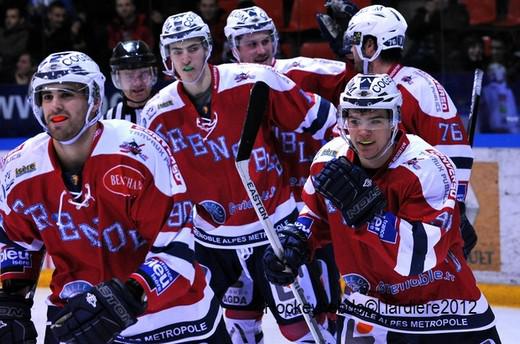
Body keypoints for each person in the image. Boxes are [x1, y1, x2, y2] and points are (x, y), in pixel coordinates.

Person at [0, 51, 229, 343]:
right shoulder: (20, 168)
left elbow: (177, 244)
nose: (54, 104)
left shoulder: (139, 151)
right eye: (47, 96)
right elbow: (18, 242)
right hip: (76, 316)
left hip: (175, 316)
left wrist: (129, 296)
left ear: (94, 99)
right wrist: (12, 301)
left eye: (67, 94)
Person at [140, 11, 338, 344]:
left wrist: (331, 173)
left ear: (207, 48)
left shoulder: (254, 80)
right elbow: (157, 187)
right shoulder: (157, 113)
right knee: (227, 331)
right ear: (167, 58)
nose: (186, 58)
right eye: (177, 51)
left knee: (306, 330)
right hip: (212, 242)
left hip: (274, 229)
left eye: (193, 48)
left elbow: (329, 122)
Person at [263, 73, 502, 343]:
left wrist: (368, 214)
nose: (363, 130)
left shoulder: (427, 167)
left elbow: (417, 259)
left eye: (375, 119)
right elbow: (314, 215)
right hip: (369, 311)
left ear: (394, 120)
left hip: (444, 310)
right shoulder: (328, 160)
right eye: (354, 120)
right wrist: (295, 242)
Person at [224, 6, 354, 339]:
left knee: (317, 319)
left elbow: (364, 85)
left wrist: (354, 51)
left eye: (266, 40)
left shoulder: (303, 71)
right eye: (250, 43)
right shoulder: (222, 90)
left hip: (309, 216)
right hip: (249, 224)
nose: (261, 50)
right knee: (239, 322)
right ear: (233, 48)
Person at [320, 4, 477, 258]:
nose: (350, 52)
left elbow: (452, 155)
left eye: (355, 43)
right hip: (392, 211)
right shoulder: (413, 83)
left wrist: (454, 212)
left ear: (371, 46)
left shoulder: (410, 90)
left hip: (418, 212)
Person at [106, 39, 158, 123]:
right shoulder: (109, 120)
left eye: (143, 74)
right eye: (129, 76)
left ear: (152, 74)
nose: (137, 83)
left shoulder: (172, 109)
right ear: (118, 79)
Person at [480, 62, 520, 133]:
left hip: (505, 122)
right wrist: (504, 119)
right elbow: (502, 106)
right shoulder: (495, 88)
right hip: (504, 123)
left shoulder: (502, 88)